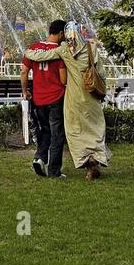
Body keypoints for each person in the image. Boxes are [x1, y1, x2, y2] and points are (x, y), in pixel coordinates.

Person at [22, 27, 110, 180]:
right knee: (94, 128)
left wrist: (28, 52)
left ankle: (87, 163)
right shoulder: (91, 47)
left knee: (75, 131)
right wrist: (102, 91)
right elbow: (101, 72)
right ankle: (95, 157)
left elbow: (42, 56)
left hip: (73, 98)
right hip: (91, 96)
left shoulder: (64, 50)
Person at [22, 21, 68, 179]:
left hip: (38, 98)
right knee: (57, 134)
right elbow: (63, 80)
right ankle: (54, 171)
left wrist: (25, 91)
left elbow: (24, 72)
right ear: (61, 34)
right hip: (55, 98)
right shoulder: (59, 51)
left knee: (44, 130)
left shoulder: (33, 48)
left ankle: (39, 158)